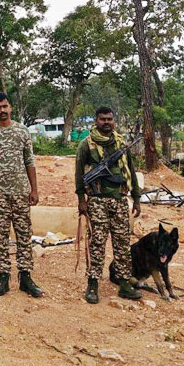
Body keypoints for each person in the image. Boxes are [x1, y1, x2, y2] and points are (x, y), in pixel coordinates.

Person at [76, 105, 142, 303]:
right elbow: (79, 174)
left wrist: (136, 198)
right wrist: (81, 200)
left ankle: (124, 283)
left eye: (110, 119)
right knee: (96, 243)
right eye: (103, 119)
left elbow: (130, 170)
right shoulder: (86, 145)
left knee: (122, 244)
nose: (107, 122)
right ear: (96, 120)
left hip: (120, 200)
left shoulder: (121, 143)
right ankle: (93, 284)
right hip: (97, 201)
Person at [0, 92, 42, 298]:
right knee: (0, 235)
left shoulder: (22, 131)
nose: (2, 110)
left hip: (21, 193)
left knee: (24, 234)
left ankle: (25, 276)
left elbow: (29, 162)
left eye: (5, 106)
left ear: (11, 107)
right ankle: (3, 276)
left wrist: (34, 189)